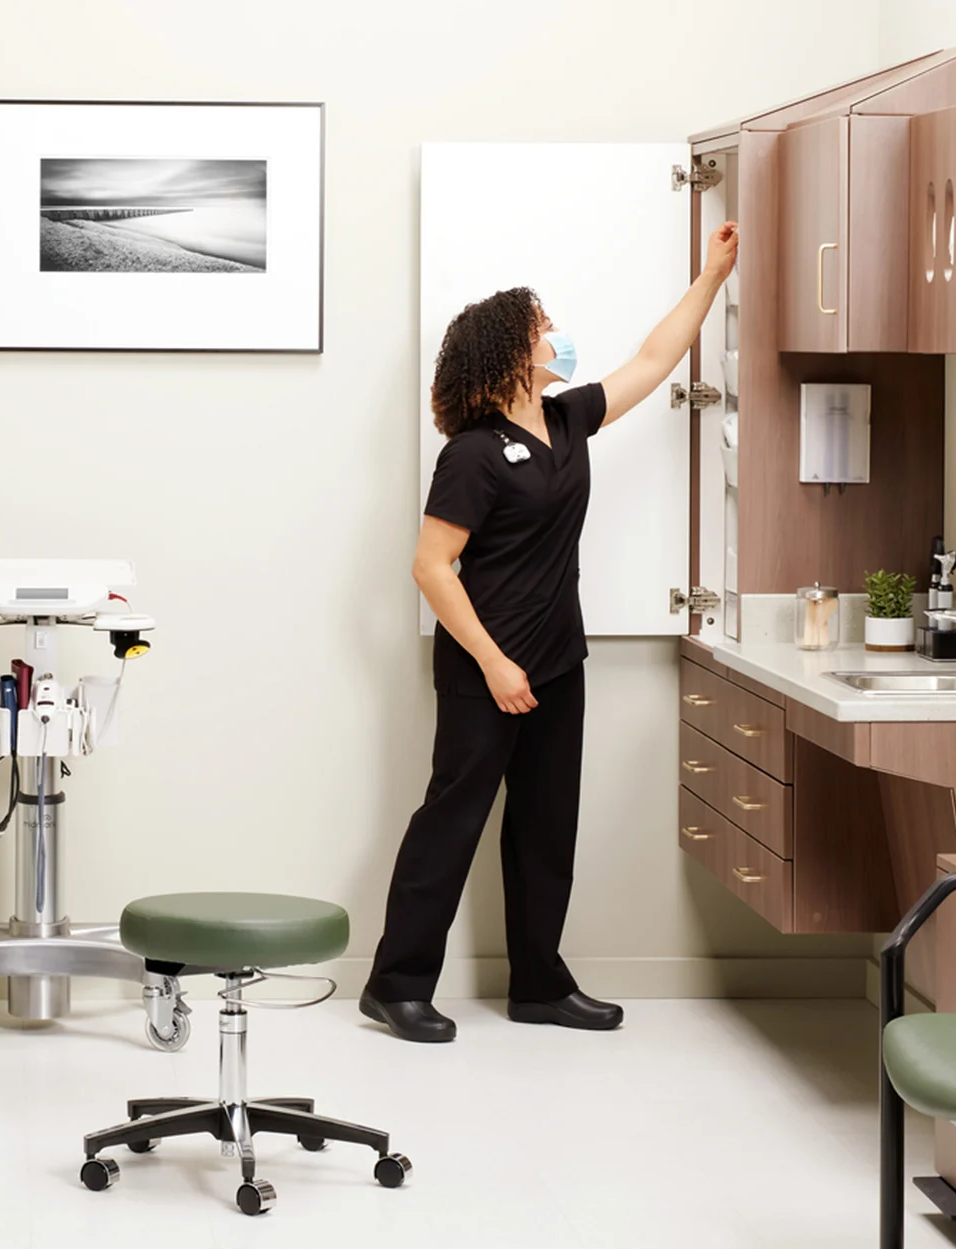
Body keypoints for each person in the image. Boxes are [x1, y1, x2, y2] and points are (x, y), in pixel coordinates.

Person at [361, 222, 739, 1043]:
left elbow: (652, 360)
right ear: (509, 351)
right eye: (541, 327)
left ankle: (538, 981)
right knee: (451, 821)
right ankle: (394, 983)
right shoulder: (471, 454)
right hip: (485, 670)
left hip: (558, 662)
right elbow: (431, 568)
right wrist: (494, 663)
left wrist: (710, 276)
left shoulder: (566, 420)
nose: (554, 335)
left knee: (545, 826)